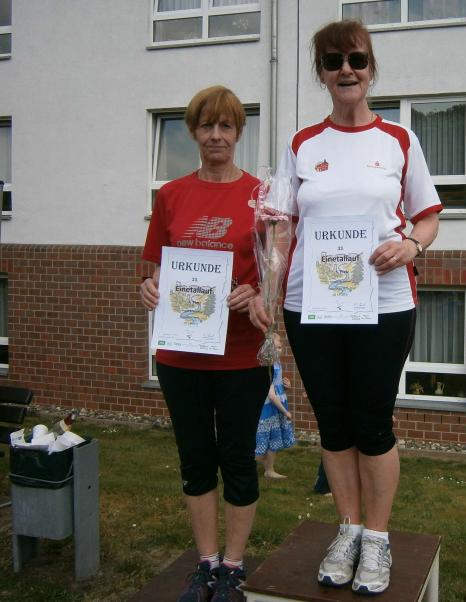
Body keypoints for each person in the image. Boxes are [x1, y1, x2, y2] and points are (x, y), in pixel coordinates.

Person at [249, 19, 441, 595]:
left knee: (372, 422)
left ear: (370, 67)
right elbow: (280, 226)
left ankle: (377, 538)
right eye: (333, 62)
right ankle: (349, 529)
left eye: (356, 59)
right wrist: (267, 290)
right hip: (312, 304)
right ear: (322, 73)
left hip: (385, 302)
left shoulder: (400, 140)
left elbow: (428, 217)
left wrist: (411, 246)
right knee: (333, 422)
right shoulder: (302, 144)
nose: (346, 70)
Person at [140, 85, 268, 602]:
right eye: (206, 126)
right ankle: (206, 564)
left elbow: (278, 275)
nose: (216, 135)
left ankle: (233, 567)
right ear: (193, 132)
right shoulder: (171, 195)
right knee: (194, 458)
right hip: (181, 355)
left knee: (237, 458)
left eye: (226, 126)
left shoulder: (261, 197)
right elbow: (153, 268)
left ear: (239, 133)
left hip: (241, 355)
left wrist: (256, 291)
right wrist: (148, 287)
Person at [255, 333, 295, 479]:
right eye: (276, 348)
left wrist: (286, 386)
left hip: (277, 406)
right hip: (269, 408)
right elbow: (271, 395)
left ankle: (269, 470)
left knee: (274, 437)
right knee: (262, 439)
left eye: (280, 347)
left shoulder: (278, 364)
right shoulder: (267, 367)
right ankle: (246, 465)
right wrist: (286, 412)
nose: (279, 350)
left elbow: (278, 389)